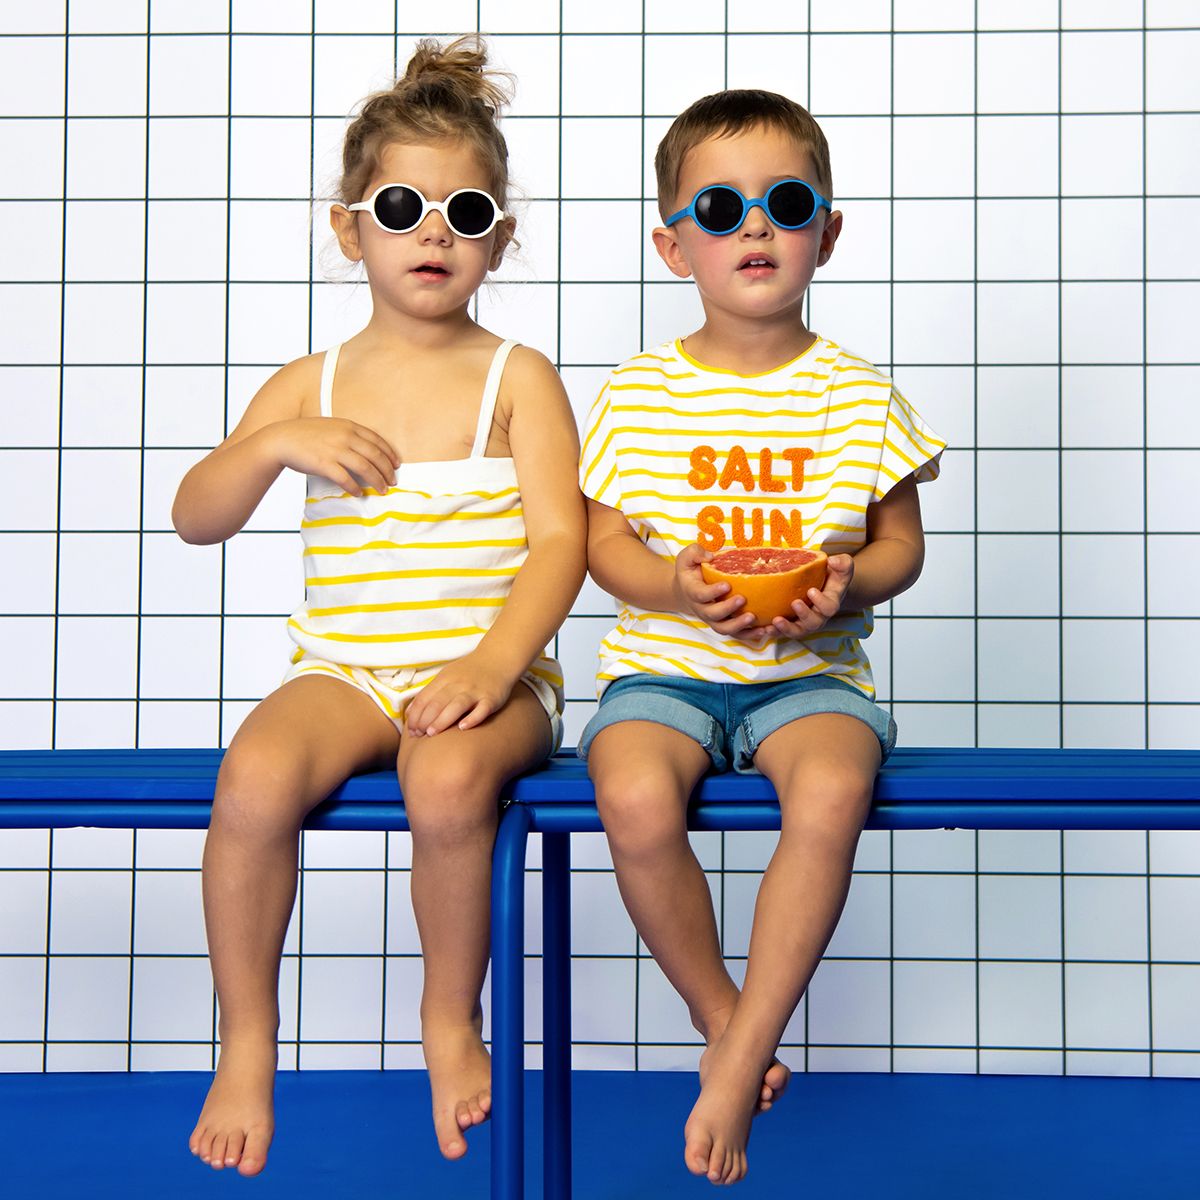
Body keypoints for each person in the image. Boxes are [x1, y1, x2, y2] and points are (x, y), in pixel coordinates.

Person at [173, 36, 585, 1176]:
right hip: (346, 671)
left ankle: (449, 1017)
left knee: (445, 778)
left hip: (493, 675)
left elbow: (564, 543)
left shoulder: (517, 377)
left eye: (466, 212)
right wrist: (272, 446)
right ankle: (247, 1041)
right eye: (403, 208)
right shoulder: (309, 385)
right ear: (351, 229)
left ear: (500, 238)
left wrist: (493, 669)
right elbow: (196, 516)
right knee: (253, 778)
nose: (433, 233)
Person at [577, 89, 944, 1186]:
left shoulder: (859, 396)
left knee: (832, 791)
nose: (754, 227)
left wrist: (849, 583)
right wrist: (675, 587)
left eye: (785, 204)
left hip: (810, 674)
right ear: (672, 244)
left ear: (826, 234)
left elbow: (901, 546)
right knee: (632, 796)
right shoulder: (637, 394)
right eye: (719, 207)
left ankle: (739, 1060)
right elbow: (602, 545)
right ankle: (722, 1018)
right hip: (665, 666)